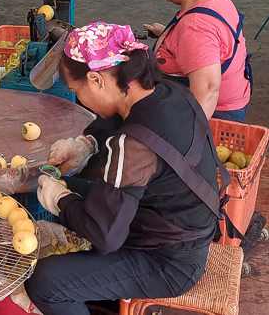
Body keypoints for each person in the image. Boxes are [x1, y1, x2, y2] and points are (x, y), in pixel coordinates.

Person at [16, 22, 227, 315]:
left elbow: (105, 236)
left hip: (169, 262)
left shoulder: (131, 145)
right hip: (173, 221)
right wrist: (85, 142)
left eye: (78, 91)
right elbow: (123, 118)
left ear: (96, 80)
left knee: (46, 281)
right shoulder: (166, 90)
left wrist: (59, 200)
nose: (80, 100)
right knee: (56, 183)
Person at [143, 0, 251, 122]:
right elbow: (214, 43)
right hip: (235, 99)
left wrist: (186, 139)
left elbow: (207, 91)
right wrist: (169, 36)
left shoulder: (196, 27)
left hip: (217, 113)